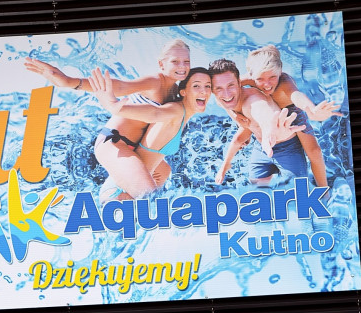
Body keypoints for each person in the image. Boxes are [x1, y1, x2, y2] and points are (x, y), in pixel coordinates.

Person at [25, 40, 191, 200]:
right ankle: (109, 195)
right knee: (148, 195)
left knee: (163, 172)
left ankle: (114, 193)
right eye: (175, 61)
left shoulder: (176, 92)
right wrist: (70, 82)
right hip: (114, 144)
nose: (182, 66)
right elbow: (120, 86)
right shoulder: (155, 81)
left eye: (186, 62)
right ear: (161, 64)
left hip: (136, 147)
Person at [88, 67, 212, 198]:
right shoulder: (176, 110)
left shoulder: (183, 116)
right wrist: (116, 108)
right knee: (154, 203)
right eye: (196, 86)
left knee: (162, 181)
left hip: (127, 189)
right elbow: (155, 113)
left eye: (208, 86)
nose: (203, 91)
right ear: (183, 92)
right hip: (120, 193)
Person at [210, 58, 327, 189]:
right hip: (260, 148)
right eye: (218, 88)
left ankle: (324, 190)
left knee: (300, 185)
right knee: (258, 188)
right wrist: (235, 116)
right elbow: (224, 100)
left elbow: (263, 111)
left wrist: (268, 132)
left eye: (231, 85)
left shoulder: (255, 98)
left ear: (239, 83)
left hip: (287, 144)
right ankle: (226, 165)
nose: (226, 93)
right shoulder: (224, 96)